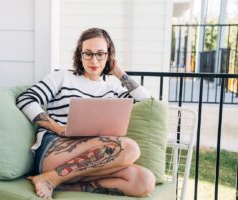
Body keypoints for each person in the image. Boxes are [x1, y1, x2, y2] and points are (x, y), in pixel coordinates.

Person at [17, 28, 155, 199]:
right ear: (79, 55)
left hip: (96, 156)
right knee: (129, 147)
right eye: (88, 53)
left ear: (109, 56)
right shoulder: (62, 78)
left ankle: (60, 181)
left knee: (145, 180)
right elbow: (26, 99)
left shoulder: (112, 90)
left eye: (101, 54)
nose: (94, 60)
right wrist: (57, 127)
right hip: (55, 149)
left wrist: (118, 72)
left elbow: (147, 103)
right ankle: (51, 177)